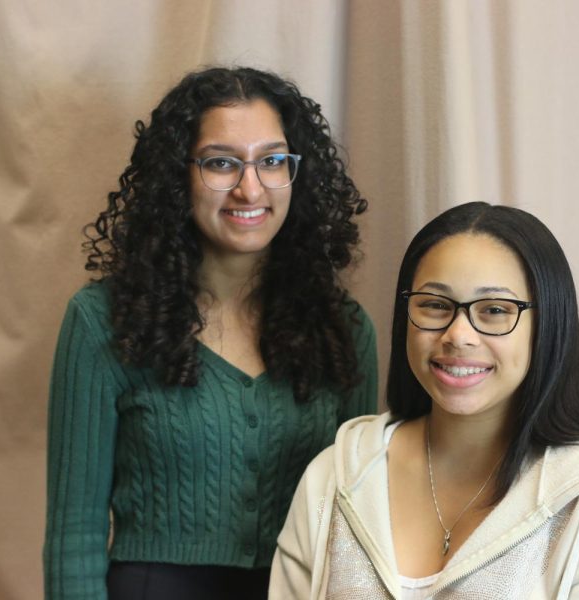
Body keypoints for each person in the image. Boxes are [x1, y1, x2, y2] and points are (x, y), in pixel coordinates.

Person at [43, 67, 378, 600]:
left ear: (298, 175)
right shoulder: (102, 320)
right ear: (179, 176)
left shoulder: (344, 329)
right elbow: (73, 538)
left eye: (272, 161)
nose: (250, 187)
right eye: (222, 163)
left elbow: (355, 531)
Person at [270, 202, 579, 599]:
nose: (458, 335)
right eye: (435, 305)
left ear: (548, 324)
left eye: (495, 310)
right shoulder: (337, 475)